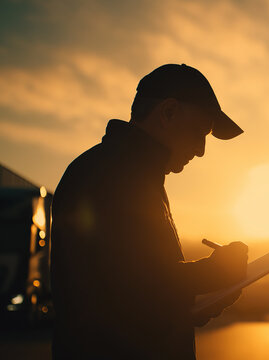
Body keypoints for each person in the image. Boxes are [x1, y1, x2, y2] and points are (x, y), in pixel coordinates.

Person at [50, 64, 248, 359]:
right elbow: (135, 285)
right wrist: (215, 271)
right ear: (167, 113)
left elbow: (140, 300)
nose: (201, 149)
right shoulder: (109, 175)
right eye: (199, 132)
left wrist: (207, 299)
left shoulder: (133, 175)